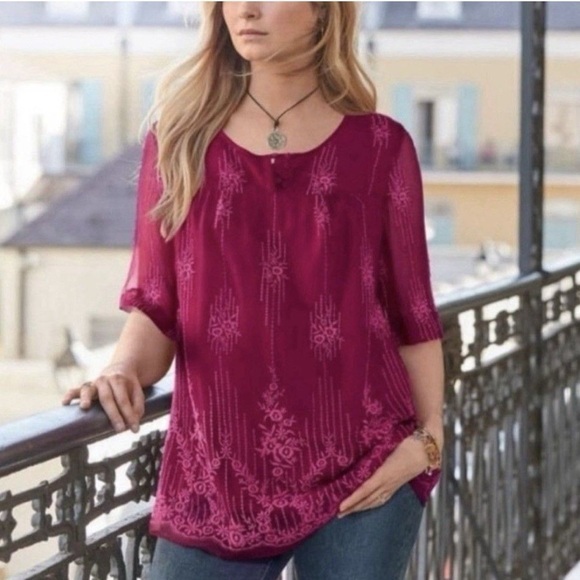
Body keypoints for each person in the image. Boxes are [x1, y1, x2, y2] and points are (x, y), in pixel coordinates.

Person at [62, 2, 446, 579]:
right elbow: (159, 305)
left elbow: (411, 312)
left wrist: (428, 441)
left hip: (367, 467)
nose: (245, 9)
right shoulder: (180, 140)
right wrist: (120, 368)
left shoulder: (380, 148)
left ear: (322, 11)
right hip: (216, 479)